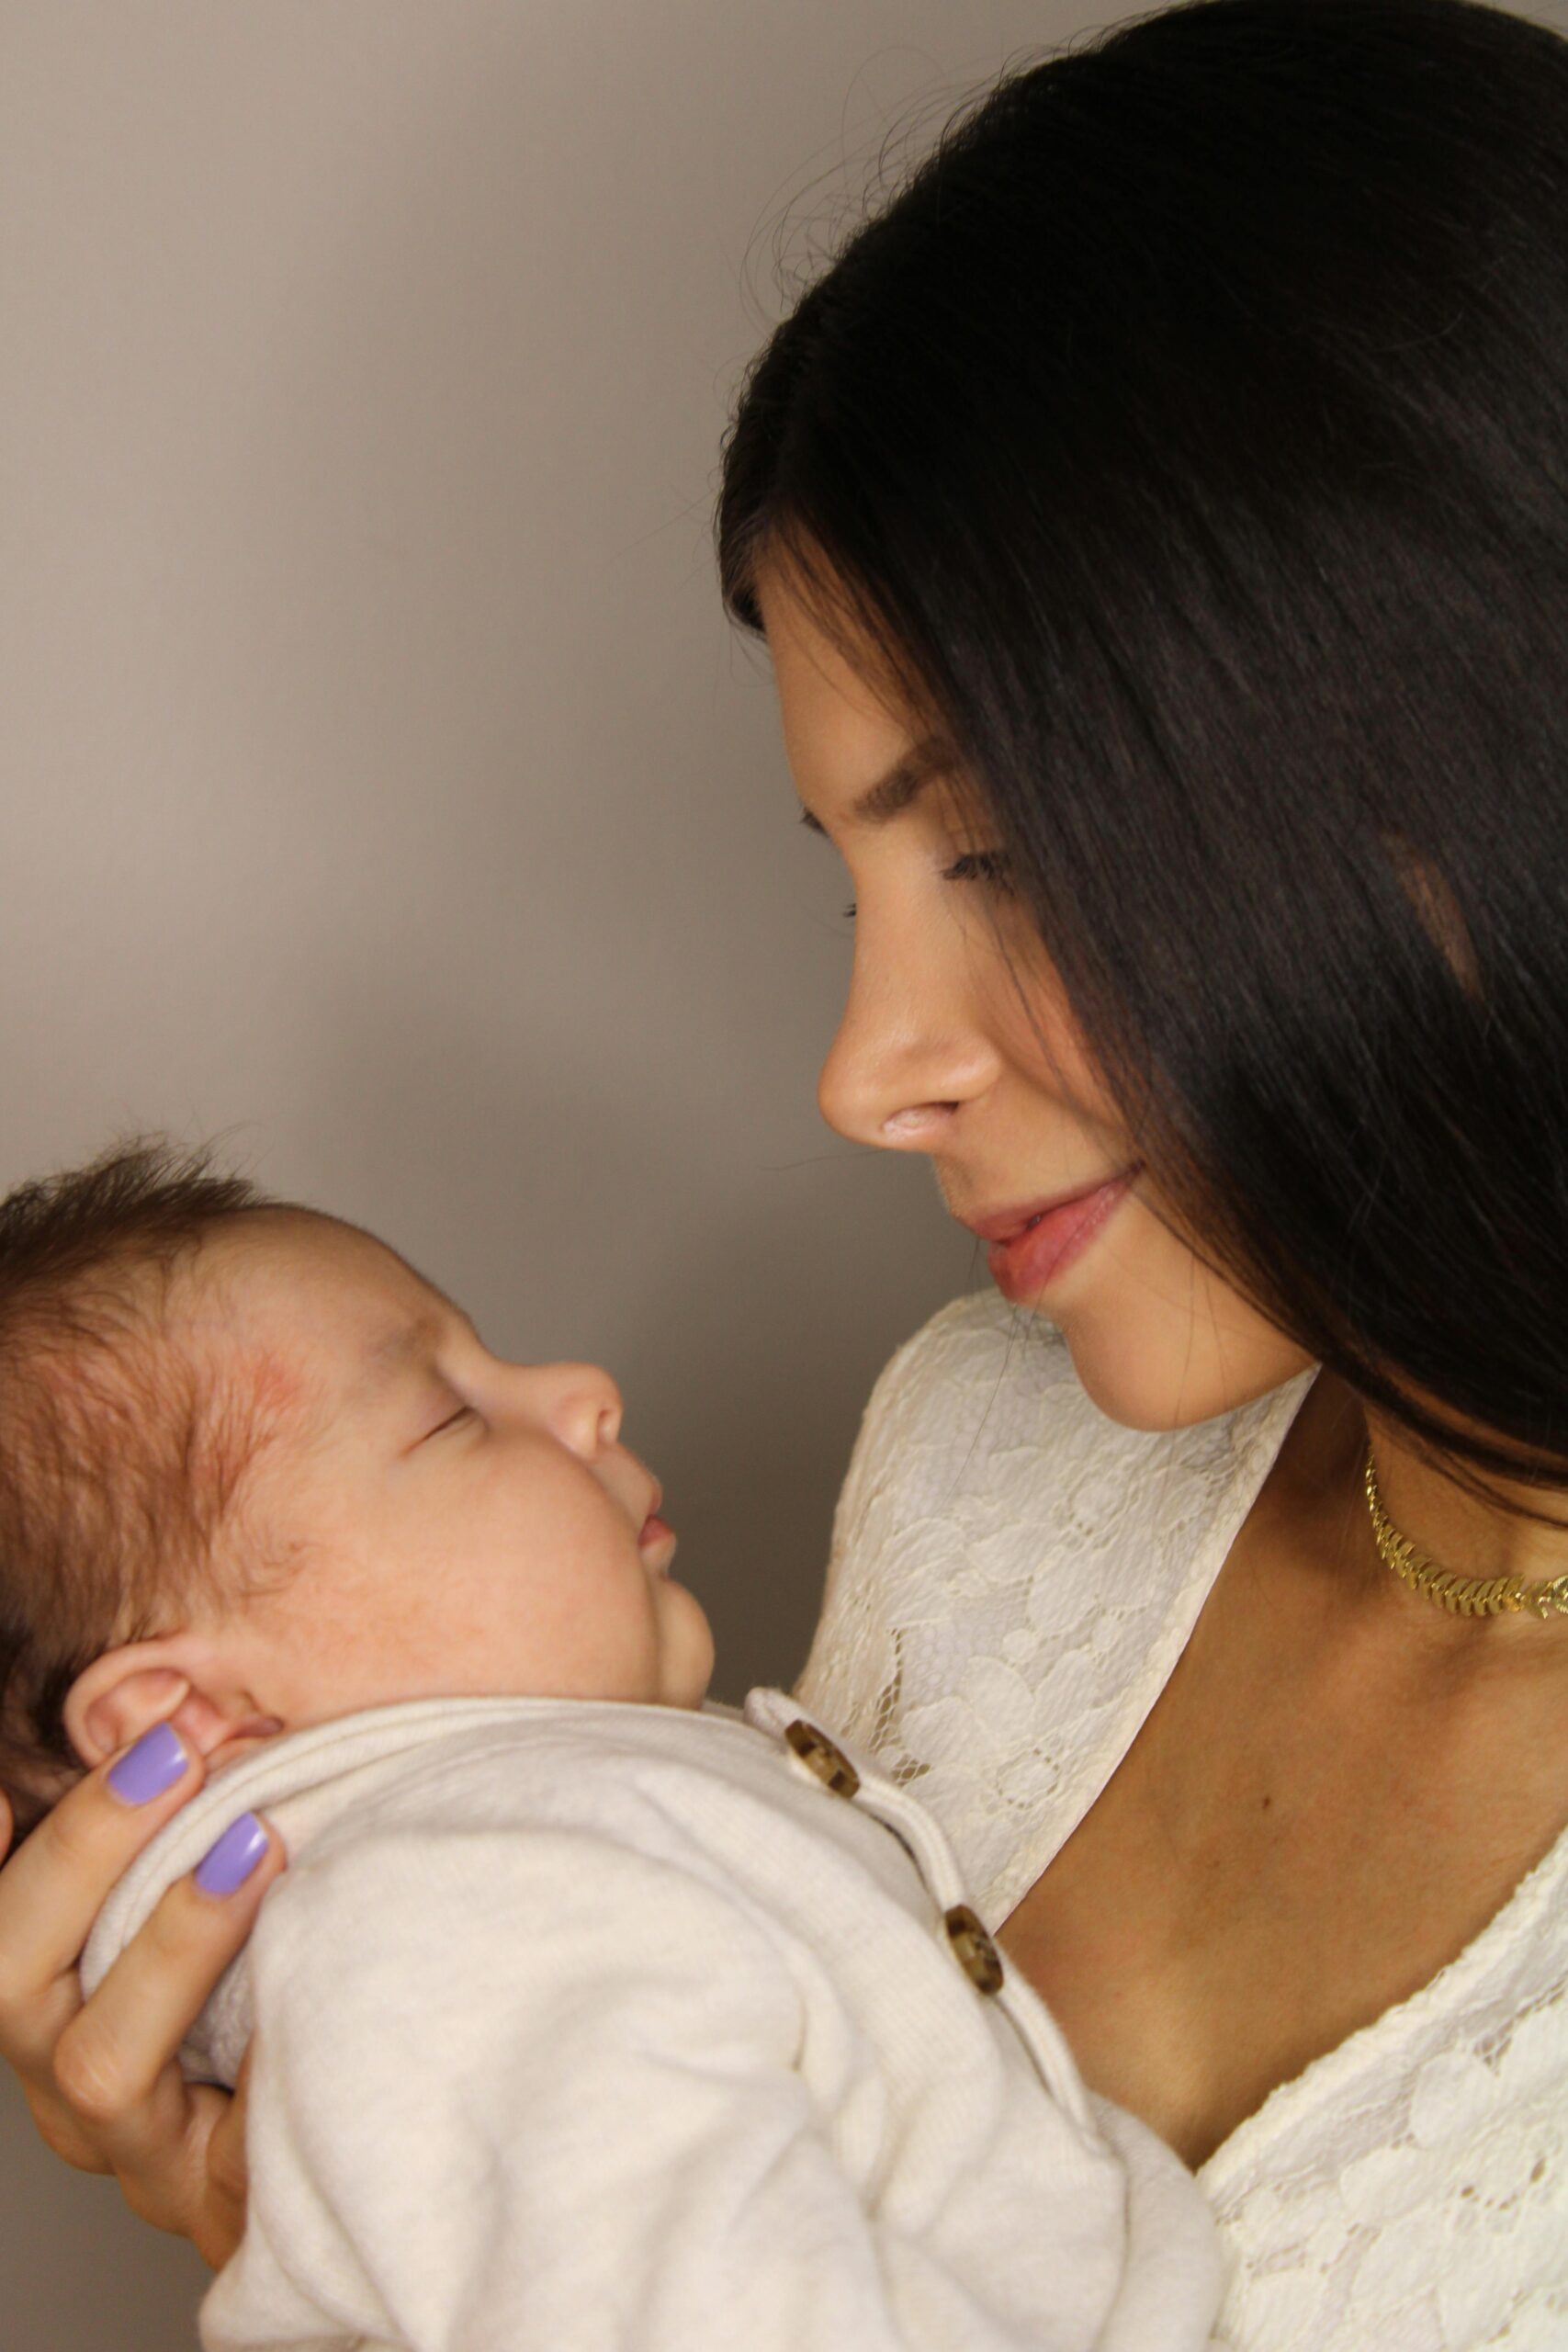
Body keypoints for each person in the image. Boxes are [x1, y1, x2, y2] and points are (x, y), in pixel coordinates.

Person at [4, 0, 1567, 2344]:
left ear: (1462, 736)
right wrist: (342, 2195)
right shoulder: (979, 1469)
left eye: (1010, 857)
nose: (860, 1072)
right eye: (855, 884)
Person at [2, 1140, 1223, 2352]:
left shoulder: (489, 1896)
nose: (585, 1389)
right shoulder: (452, 1922)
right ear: (186, 1718)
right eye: (448, 1419)